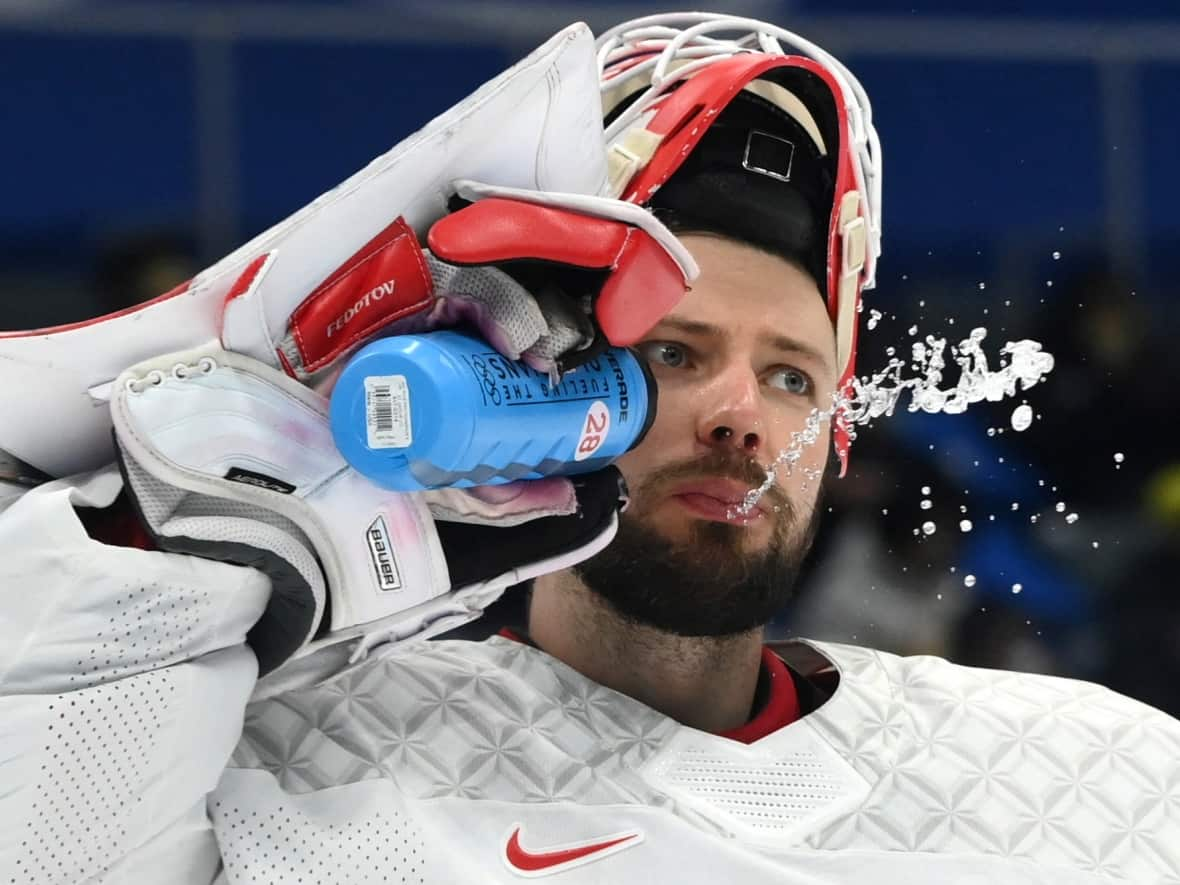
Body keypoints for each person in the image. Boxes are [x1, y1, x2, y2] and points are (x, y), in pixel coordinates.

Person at [2, 13, 1177, 885]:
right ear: (547, 385)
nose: (739, 416)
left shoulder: (1099, 776)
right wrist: (155, 557)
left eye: (789, 375)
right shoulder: (300, 748)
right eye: (673, 354)